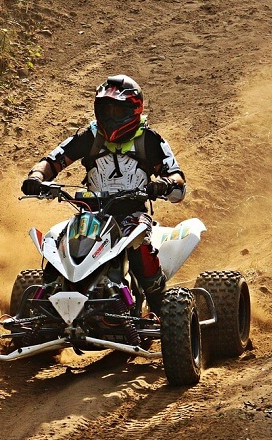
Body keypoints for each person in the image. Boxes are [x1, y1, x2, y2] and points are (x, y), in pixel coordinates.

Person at [20, 74, 186, 316]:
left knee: (137, 240)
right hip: (91, 214)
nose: (109, 117)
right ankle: (40, 308)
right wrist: (36, 178)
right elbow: (52, 161)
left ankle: (160, 302)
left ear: (134, 110)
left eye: (117, 111)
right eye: (104, 109)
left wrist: (164, 184)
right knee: (56, 242)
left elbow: (177, 178)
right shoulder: (89, 135)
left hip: (132, 214)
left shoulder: (150, 140)